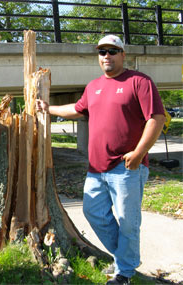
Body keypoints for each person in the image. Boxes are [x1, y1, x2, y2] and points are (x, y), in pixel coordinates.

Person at [36, 35, 165, 285]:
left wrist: (139, 153)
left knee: (128, 223)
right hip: (96, 169)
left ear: (122, 55)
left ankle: (125, 273)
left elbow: (156, 118)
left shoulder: (139, 81)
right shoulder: (93, 86)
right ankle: (125, 258)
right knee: (93, 211)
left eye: (113, 51)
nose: (107, 55)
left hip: (127, 167)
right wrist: (48, 108)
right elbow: (77, 109)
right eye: (102, 51)